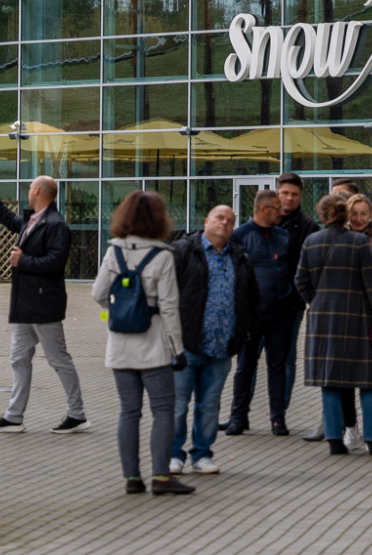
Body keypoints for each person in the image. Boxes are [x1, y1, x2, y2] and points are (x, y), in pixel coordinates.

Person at [90, 189, 191, 495]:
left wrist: (121, 309)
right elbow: (170, 306)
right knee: (163, 409)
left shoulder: (113, 251)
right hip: (155, 344)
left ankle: (132, 478)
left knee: (128, 411)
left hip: (120, 345)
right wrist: (179, 348)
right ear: (159, 219)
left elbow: (97, 294)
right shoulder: (161, 255)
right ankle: (161, 477)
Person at [0, 175, 88, 434]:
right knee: (18, 358)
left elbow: (55, 263)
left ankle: (78, 414)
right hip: (25, 304)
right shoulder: (32, 220)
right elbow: (9, 219)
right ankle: (14, 416)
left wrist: (23, 261)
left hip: (42, 304)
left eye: (30, 188)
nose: (28, 191)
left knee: (58, 359)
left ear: (38, 190)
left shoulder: (56, 225)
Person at [297, 191, 372, 456]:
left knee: (330, 381)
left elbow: (300, 281)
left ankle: (334, 439)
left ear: (321, 215)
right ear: (345, 215)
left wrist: (317, 301)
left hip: (321, 321)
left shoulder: (311, 241)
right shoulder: (358, 242)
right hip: (358, 319)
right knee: (368, 381)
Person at [169, 205, 258, 474]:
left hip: (222, 346)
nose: (225, 224)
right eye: (220, 218)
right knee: (177, 404)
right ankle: (173, 454)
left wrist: (244, 333)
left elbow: (251, 298)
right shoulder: (184, 250)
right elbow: (166, 292)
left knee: (209, 405)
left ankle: (202, 454)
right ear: (206, 221)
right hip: (186, 345)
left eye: (231, 221)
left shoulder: (240, 256)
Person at [226, 187, 302, 436]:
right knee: (245, 365)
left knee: (277, 366)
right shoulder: (240, 236)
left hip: (281, 313)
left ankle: (278, 419)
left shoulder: (283, 236)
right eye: (276, 208)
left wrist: (293, 302)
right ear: (262, 209)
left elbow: (293, 270)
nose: (281, 212)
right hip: (251, 315)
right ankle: (238, 417)